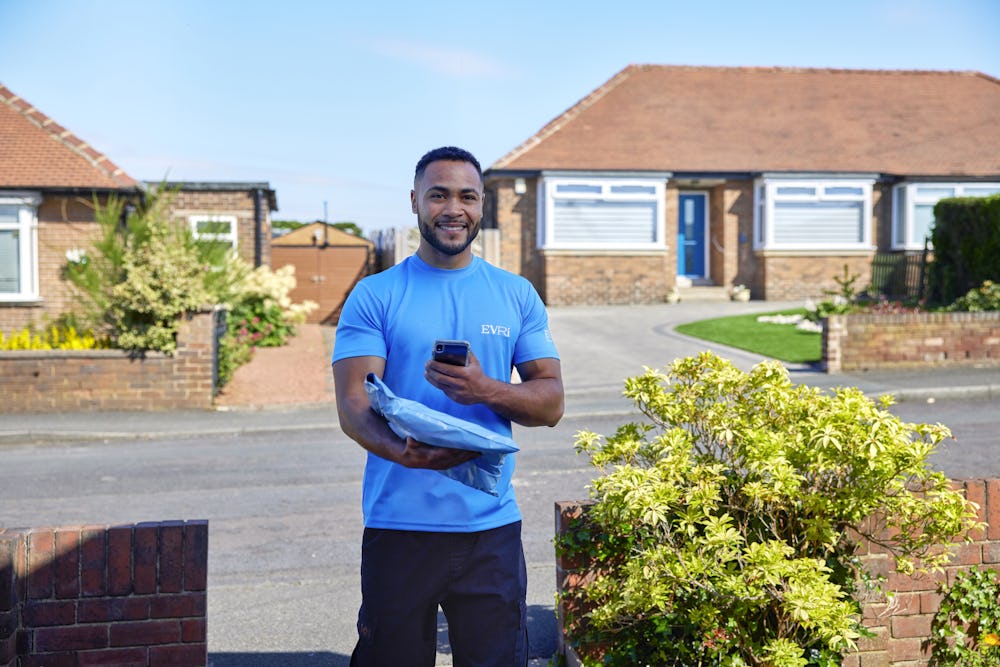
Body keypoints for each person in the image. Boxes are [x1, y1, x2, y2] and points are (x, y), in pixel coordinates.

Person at [332, 145, 564, 667]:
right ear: (415, 201)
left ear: (483, 206)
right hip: (399, 526)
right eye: (438, 195)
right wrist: (405, 453)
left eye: (467, 196)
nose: (452, 208)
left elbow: (550, 402)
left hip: (491, 529)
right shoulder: (375, 295)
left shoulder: (516, 294)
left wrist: (486, 389)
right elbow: (352, 405)